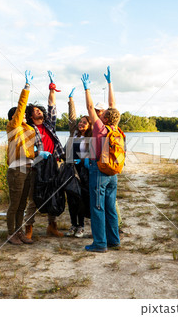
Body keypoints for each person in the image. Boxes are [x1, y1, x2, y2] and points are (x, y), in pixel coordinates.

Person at [81, 66, 121, 252]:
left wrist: (87, 89)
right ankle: (114, 241)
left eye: (102, 112)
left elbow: (90, 107)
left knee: (98, 208)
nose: (100, 112)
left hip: (99, 171)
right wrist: (110, 83)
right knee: (110, 208)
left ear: (104, 117)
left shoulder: (100, 128)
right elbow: (112, 105)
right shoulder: (116, 128)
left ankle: (100, 244)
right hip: (113, 172)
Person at [23, 70, 65, 239]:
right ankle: (28, 228)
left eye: (39, 110)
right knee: (35, 198)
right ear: (30, 115)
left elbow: (52, 107)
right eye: (35, 111)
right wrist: (39, 153)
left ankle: (52, 226)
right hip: (38, 166)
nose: (39, 112)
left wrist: (52, 89)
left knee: (53, 194)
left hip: (53, 163)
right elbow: (27, 150)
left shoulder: (49, 125)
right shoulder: (29, 129)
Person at [5, 70, 37, 245]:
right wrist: (26, 88)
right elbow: (20, 109)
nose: (25, 115)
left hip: (27, 169)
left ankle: (19, 233)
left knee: (22, 205)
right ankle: (11, 234)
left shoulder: (26, 129)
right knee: (15, 204)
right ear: (14, 116)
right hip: (16, 170)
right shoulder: (13, 126)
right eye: (21, 114)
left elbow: (29, 149)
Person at [64, 87, 92, 238]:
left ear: (89, 126)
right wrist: (71, 101)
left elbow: (91, 155)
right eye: (80, 122)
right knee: (71, 199)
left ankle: (81, 226)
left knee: (80, 199)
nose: (81, 124)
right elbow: (71, 117)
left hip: (83, 173)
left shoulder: (91, 138)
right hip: (70, 170)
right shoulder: (73, 133)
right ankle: (72, 225)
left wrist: (81, 160)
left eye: (84, 122)